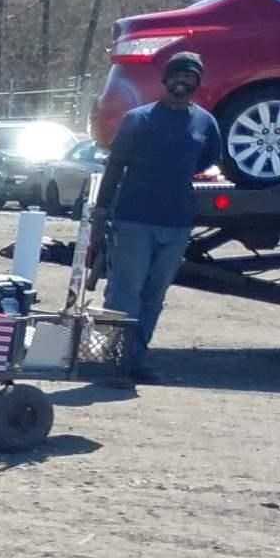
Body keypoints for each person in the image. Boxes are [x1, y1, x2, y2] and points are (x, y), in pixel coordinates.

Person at [92, 50, 223, 382]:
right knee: (124, 293)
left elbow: (209, 159)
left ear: (197, 83)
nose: (182, 82)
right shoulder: (139, 119)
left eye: (189, 77)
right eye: (177, 76)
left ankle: (136, 361)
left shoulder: (205, 123)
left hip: (177, 224)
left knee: (154, 295)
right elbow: (114, 168)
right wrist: (101, 212)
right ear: (165, 80)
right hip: (134, 219)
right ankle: (112, 363)